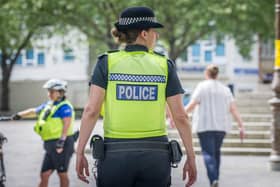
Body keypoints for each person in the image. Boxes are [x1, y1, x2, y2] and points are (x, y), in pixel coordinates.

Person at [76, 6, 197, 187]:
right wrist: (191, 156)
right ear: (144, 34)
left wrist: (79, 152)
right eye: (153, 31)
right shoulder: (164, 65)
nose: (156, 35)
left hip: (115, 156)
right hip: (155, 157)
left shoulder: (106, 63)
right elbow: (180, 116)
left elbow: (91, 110)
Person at [185, 64, 245, 187]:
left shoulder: (202, 86)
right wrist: (241, 125)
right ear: (217, 75)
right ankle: (215, 178)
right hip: (221, 127)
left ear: (206, 74)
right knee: (216, 152)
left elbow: (192, 104)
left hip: (205, 126)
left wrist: (178, 116)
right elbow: (233, 109)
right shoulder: (225, 89)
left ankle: (213, 179)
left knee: (208, 153)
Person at [11, 79, 76, 187]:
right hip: (50, 145)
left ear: (60, 92)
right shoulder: (49, 105)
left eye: (52, 91)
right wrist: (19, 115)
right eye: (48, 91)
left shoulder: (64, 106)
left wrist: (61, 141)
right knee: (44, 174)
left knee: (62, 174)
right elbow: (34, 111)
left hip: (61, 144)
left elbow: (67, 124)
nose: (49, 94)